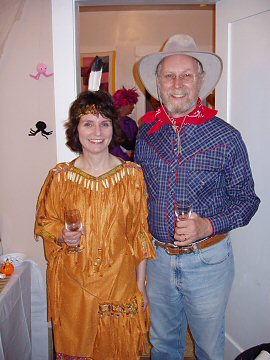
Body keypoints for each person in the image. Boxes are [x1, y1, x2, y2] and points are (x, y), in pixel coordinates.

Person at [135, 34, 260, 360]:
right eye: (169, 76)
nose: (177, 84)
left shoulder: (226, 137)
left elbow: (247, 200)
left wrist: (208, 225)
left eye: (186, 75)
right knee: (163, 344)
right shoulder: (146, 133)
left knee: (208, 347)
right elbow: (137, 196)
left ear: (201, 82)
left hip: (208, 262)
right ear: (158, 83)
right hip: (157, 260)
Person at [35, 90, 155, 359]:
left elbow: (139, 234)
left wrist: (140, 286)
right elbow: (44, 223)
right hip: (74, 286)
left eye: (104, 123)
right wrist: (62, 235)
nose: (97, 131)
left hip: (120, 283)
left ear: (113, 127)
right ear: (76, 130)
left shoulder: (132, 176)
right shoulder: (60, 177)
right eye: (88, 123)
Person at [110, 86, 139, 161]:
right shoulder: (107, 123)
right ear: (123, 104)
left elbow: (137, 144)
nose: (133, 107)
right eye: (131, 104)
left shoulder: (131, 123)